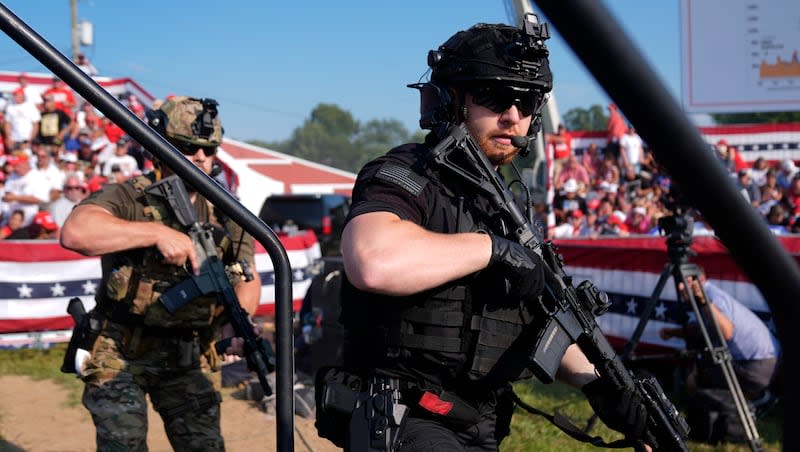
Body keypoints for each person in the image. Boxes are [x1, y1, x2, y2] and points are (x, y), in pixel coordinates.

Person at [325, 17, 655, 451]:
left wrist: (600, 385)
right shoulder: (407, 173)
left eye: (527, 101)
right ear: (449, 99)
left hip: (478, 423)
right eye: (495, 96)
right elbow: (372, 261)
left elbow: (537, 326)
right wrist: (492, 249)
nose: (512, 115)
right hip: (403, 415)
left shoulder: (509, 206)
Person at [60, 96, 262, 451]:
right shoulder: (131, 197)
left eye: (209, 149)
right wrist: (157, 233)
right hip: (120, 350)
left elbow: (247, 276)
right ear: (159, 147)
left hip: (187, 355)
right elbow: (76, 232)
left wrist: (237, 322)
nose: (200, 157)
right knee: (126, 444)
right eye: (187, 148)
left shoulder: (227, 209)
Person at [659, 268, 781, 400]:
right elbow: (701, 329)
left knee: (695, 377)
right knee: (703, 361)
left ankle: (720, 410)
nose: (680, 287)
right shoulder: (711, 294)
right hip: (762, 364)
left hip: (755, 366)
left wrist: (703, 300)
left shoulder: (711, 297)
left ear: (700, 280)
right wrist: (673, 332)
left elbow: (726, 332)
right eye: (679, 282)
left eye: (685, 282)